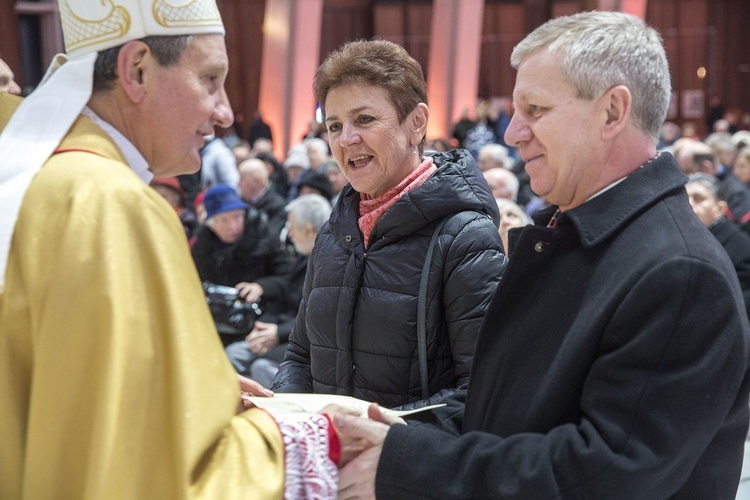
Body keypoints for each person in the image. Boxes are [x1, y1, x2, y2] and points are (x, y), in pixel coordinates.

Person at [334, 12, 750, 499]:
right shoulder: (571, 236)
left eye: (535, 109)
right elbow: (508, 411)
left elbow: (604, 475)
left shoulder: (679, 274)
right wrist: (397, 430)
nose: (513, 133)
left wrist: (408, 463)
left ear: (613, 113)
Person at [0, 1, 350, 497]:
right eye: (210, 79)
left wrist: (202, 392)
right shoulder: (112, 205)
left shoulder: (38, 180)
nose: (226, 111)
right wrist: (303, 435)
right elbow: (152, 481)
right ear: (137, 70)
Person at [271, 39, 507, 412]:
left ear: (416, 124)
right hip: (330, 459)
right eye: (334, 125)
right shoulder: (336, 231)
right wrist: (282, 415)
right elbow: (300, 355)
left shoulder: (465, 238)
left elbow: (483, 392)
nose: (346, 139)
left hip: (408, 463)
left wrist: (372, 435)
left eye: (364, 119)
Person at [225, 193, 333, 387]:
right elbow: (282, 299)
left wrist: (278, 334)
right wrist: (262, 327)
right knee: (233, 353)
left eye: (291, 227)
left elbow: (321, 317)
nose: (289, 234)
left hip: (304, 341)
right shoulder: (303, 255)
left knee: (262, 366)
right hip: (283, 331)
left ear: (308, 230)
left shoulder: (331, 263)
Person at [191, 184, 292, 317]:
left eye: (237, 217)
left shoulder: (264, 238)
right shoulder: (201, 248)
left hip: (260, 314)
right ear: (211, 224)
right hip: (215, 317)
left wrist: (261, 287)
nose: (233, 226)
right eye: (224, 220)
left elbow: (287, 277)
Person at [686, 173, 750, 317]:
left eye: (698, 198)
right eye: (684, 198)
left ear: (719, 209)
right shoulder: (693, 236)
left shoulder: (741, 248)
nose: (688, 204)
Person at [237, 157, 288, 241]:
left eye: (242, 179)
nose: (238, 184)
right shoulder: (241, 202)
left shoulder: (277, 206)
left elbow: (271, 238)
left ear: (257, 180)